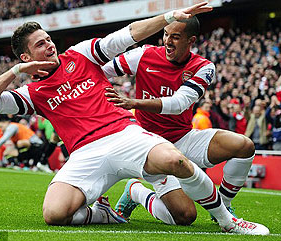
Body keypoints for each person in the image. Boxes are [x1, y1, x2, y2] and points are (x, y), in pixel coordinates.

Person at [0, 2, 268, 234]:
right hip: (85, 153)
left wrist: (167, 17)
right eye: (40, 44)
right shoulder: (32, 92)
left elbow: (129, 34)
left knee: (178, 168)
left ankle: (228, 220)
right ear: (26, 58)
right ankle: (102, 213)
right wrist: (13, 75)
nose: (50, 46)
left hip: (125, 134)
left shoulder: (82, 54)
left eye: (49, 39)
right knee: (54, 214)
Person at [103, 15, 262, 227]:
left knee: (244, 146)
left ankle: (222, 207)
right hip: (150, 147)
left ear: (191, 41)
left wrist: (133, 102)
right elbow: (101, 71)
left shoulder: (204, 67)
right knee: (185, 217)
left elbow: (178, 103)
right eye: (166, 34)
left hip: (183, 138)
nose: (167, 41)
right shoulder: (143, 55)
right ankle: (136, 191)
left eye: (175, 37)